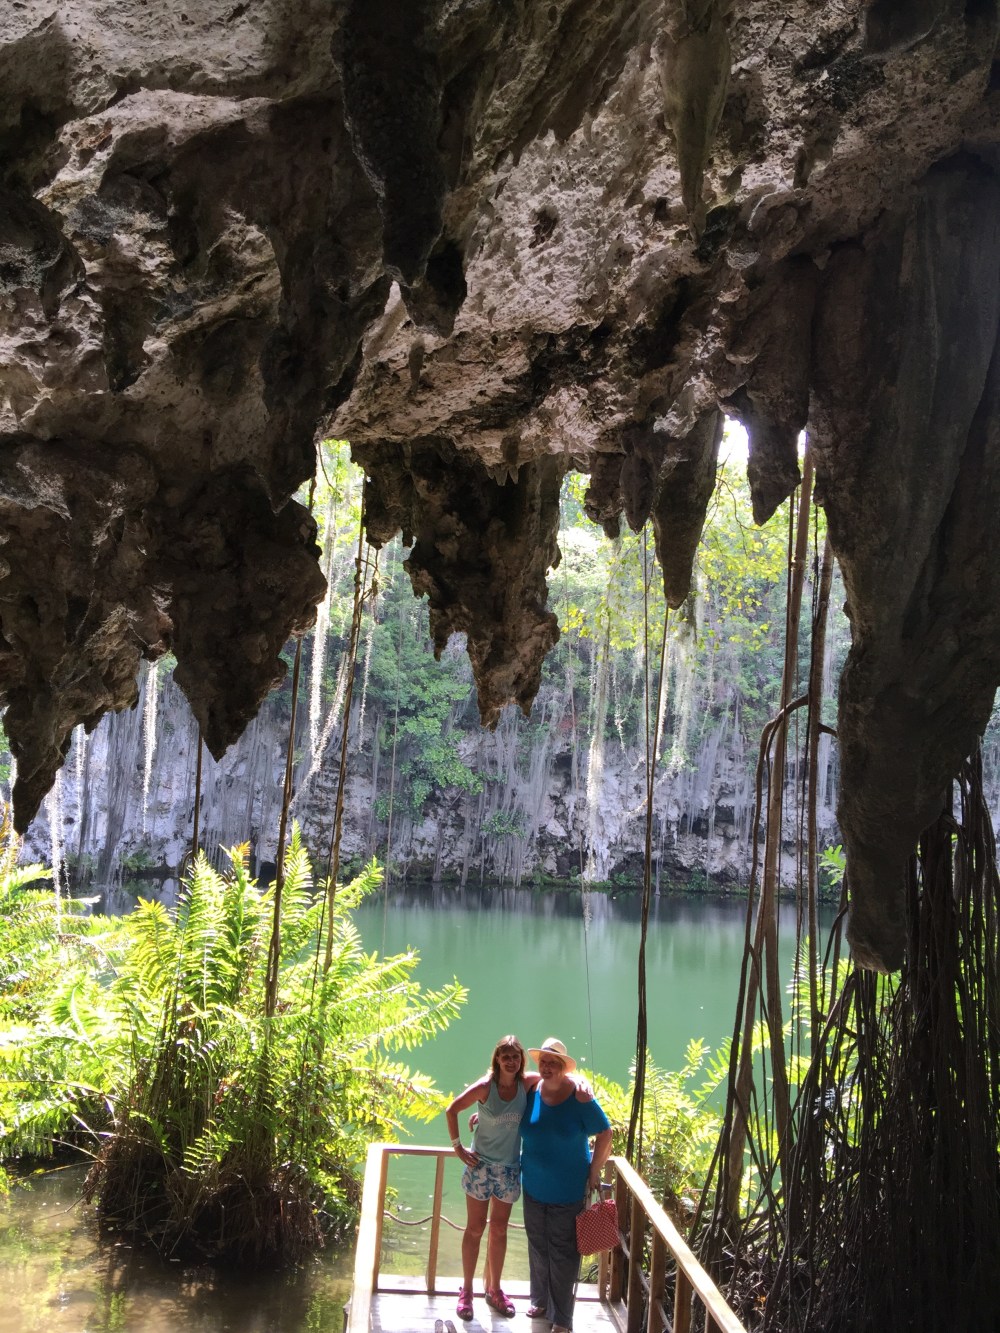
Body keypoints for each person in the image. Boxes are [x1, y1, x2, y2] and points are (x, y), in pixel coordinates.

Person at [445, 1035, 592, 1323]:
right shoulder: (485, 1087)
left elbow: (561, 1076)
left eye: (515, 1057)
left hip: (509, 1169)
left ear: (521, 1060)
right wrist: (458, 1147)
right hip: (480, 1167)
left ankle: (494, 1289)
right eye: (506, 1057)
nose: (511, 1062)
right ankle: (467, 1291)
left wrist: (583, 1082)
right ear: (497, 1059)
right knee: (475, 1229)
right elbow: (451, 1110)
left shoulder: (526, 1084)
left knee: (499, 1229)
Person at [520, 1036, 612, 1333]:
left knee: (563, 1253)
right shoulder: (531, 1089)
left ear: (564, 1068)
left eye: (553, 1063)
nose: (547, 1067)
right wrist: (482, 1115)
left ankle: (562, 1319)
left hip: (567, 1190)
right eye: (543, 1062)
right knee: (537, 1245)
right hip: (533, 1186)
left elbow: (606, 1134)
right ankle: (540, 1301)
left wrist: (594, 1171)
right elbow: (498, 1085)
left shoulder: (579, 1097)